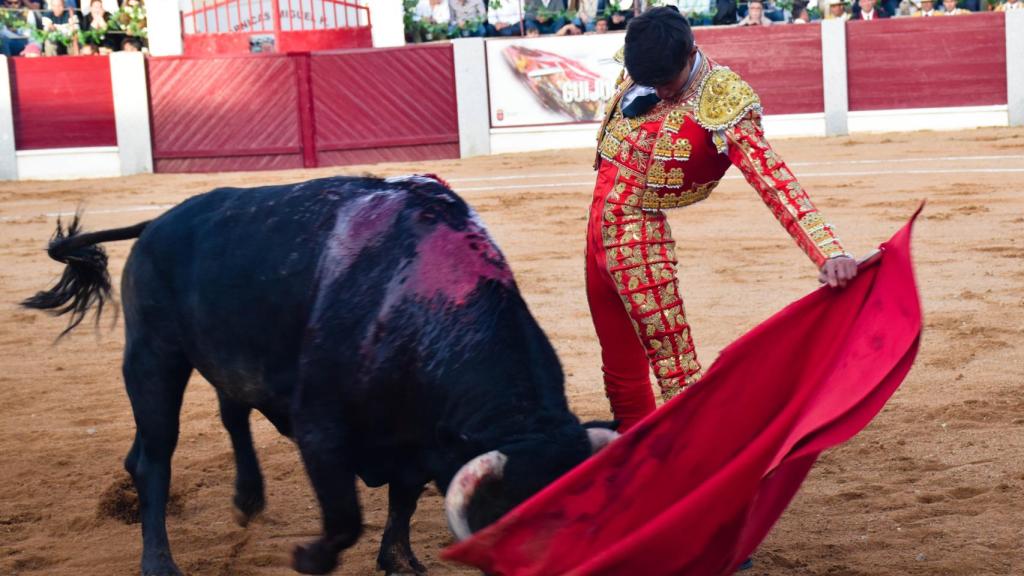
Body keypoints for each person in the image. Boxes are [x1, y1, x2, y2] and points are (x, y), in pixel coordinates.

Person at [587, 7, 857, 430]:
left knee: (675, 366)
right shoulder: (648, 59)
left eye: (665, 82)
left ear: (691, 53)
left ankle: (702, 453)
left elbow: (772, 178)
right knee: (619, 359)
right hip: (597, 229)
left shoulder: (723, 100)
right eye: (648, 81)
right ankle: (633, 444)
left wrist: (828, 251)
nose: (656, 90)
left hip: (638, 236)